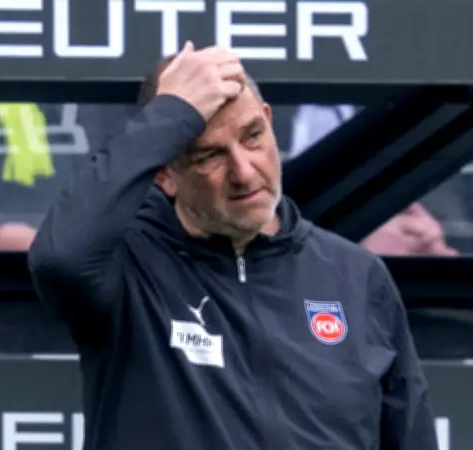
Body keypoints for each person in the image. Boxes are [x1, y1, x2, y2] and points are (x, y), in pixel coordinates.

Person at [28, 42, 437, 450]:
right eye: (210, 156)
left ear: (269, 120)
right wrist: (171, 113)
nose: (243, 172)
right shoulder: (129, 266)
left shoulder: (357, 275)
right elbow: (60, 257)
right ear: (165, 174)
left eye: (253, 136)